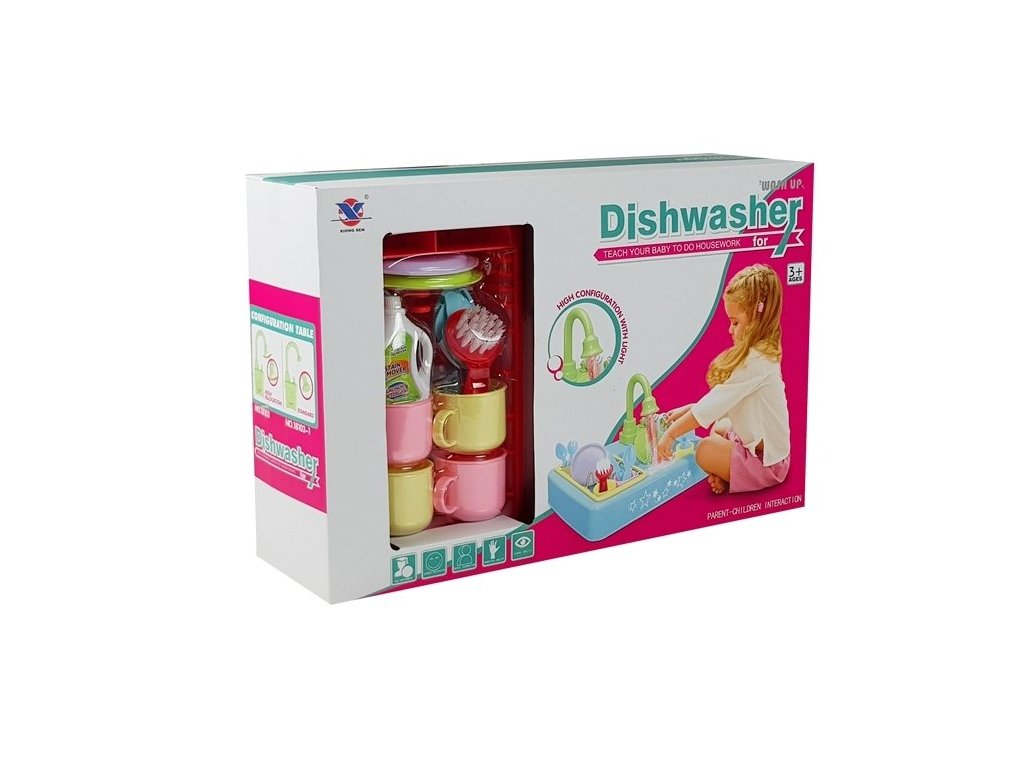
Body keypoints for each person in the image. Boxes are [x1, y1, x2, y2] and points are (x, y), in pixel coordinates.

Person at [656, 264, 791, 494]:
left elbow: (714, 403)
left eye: (735, 322)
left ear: (757, 317)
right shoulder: (760, 353)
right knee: (719, 426)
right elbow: (723, 401)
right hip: (754, 444)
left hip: (767, 464)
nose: (730, 329)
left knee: (704, 449)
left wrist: (671, 434)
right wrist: (687, 409)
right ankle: (727, 473)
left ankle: (731, 474)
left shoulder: (756, 361)